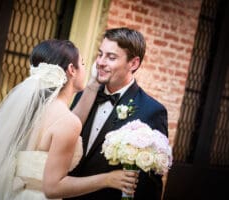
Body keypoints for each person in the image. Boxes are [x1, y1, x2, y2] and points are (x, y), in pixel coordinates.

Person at [0, 39, 138, 200]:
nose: (91, 69)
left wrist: (94, 85)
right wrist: (108, 179)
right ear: (71, 69)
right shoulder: (66, 121)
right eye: (84, 63)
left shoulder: (32, 110)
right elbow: (53, 187)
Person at [66, 27, 168, 200]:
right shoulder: (83, 96)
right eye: (100, 54)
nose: (100, 62)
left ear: (133, 63)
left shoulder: (151, 111)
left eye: (111, 57)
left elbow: (150, 184)